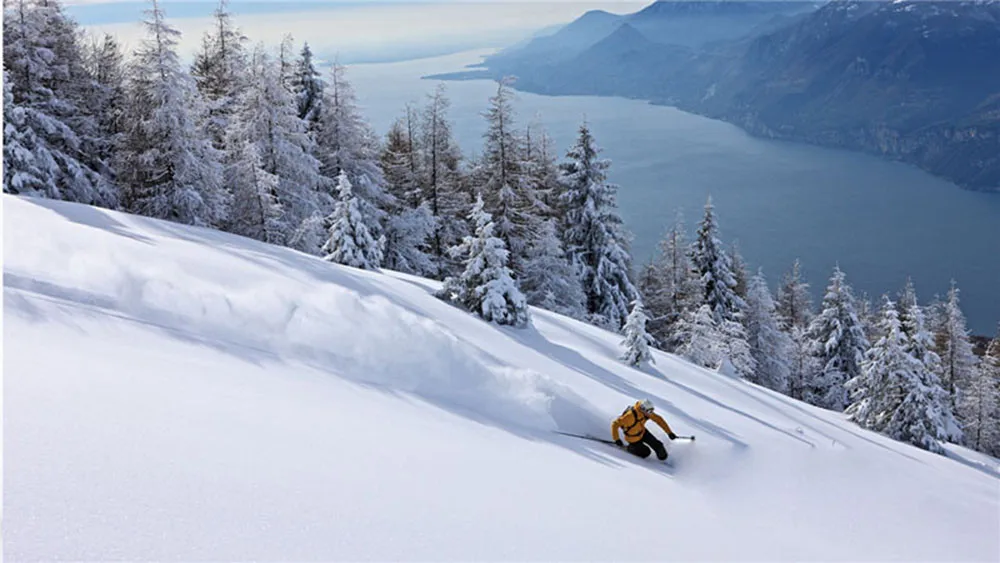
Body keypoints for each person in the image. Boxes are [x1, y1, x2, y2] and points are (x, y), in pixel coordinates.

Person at [611, 399, 677, 460]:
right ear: (642, 409)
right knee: (646, 452)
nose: (651, 413)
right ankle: (630, 448)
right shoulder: (629, 416)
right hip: (633, 438)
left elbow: (659, 420)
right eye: (649, 411)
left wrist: (669, 432)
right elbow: (615, 424)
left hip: (643, 433)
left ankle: (664, 461)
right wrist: (616, 439)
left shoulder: (646, 413)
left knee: (660, 449)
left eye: (652, 410)